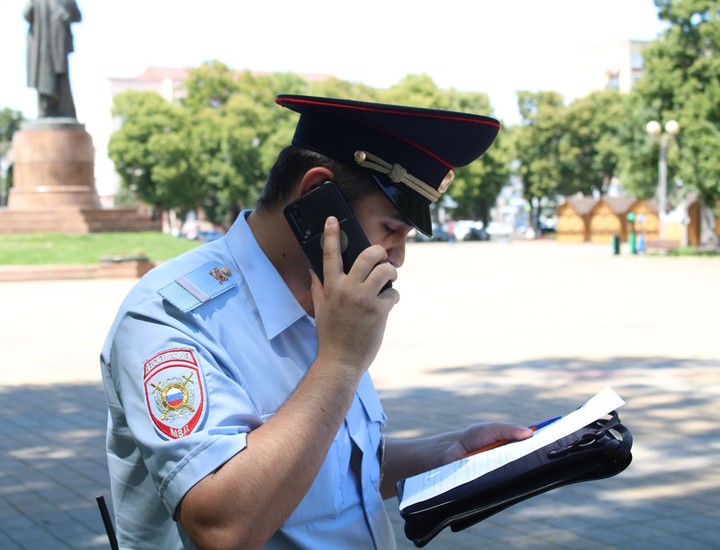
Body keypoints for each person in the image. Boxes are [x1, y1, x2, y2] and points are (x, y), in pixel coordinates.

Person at [100, 94, 533, 549]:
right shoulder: (170, 316)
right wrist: (340, 364)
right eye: (390, 228)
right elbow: (222, 528)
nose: (399, 256)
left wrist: (447, 453)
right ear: (316, 196)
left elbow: (334, 467)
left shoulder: (328, 299)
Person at [24, 0, 82, 119]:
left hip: (59, 46)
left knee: (62, 81)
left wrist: (66, 14)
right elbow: (26, 15)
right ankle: (45, 111)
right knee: (43, 79)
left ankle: (64, 111)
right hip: (41, 46)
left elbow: (78, 16)